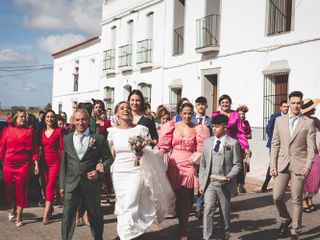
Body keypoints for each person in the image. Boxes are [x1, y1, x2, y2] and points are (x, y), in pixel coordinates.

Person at [108, 101, 175, 239]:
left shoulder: (140, 130)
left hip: (135, 171)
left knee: (130, 202)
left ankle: (125, 235)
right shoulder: (112, 132)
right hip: (119, 172)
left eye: (127, 108)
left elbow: (149, 149)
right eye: (122, 108)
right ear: (117, 113)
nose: (125, 109)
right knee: (121, 205)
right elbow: (111, 153)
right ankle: (125, 232)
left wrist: (141, 151)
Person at [59, 109, 113, 240]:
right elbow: (64, 163)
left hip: (91, 184)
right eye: (77, 120)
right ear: (73, 121)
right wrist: (62, 185)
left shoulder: (98, 138)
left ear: (88, 120)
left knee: (95, 215)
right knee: (67, 216)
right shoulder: (67, 139)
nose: (80, 122)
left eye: (83, 119)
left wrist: (99, 172)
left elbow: (108, 158)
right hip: (72, 184)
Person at [158, 102, 210, 240]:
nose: (187, 116)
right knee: (174, 198)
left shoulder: (198, 129)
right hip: (174, 165)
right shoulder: (172, 126)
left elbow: (201, 150)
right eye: (185, 113)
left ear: (193, 114)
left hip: (189, 165)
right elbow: (164, 147)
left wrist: (196, 160)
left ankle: (184, 230)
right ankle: (180, 223)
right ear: (180, 113)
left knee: (186, 200)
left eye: (190, 113)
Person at [270, 91, 317, 239]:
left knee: (296, 199)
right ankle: (285, 218)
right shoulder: (279, 121)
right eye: (293, 102)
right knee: (277, 196)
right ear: (289, 103)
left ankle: (295, 230)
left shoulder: (308, 122)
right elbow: (275, 144)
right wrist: (273, 164)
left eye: (298, 103)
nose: (296, 105)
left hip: (300, 165)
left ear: (301, 104)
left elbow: (312, 148)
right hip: (282, 164)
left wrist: (308, 166)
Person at [199, 114, 241, 240]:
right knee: (208, 210)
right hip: (210, 183)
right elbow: (203, 165)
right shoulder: (207, 142)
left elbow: (237, 165)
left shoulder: (233, 144)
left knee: (224, 213)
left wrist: (229, 176)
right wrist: (202, 182)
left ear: (225, 127)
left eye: (217, 127)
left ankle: (224, 237)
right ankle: (207, 237)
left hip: (224, 184)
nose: (214, 129)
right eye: (213, 126)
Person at [0, 109, 39, 227]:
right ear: (15, 118)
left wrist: (36, 163)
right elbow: (2, 147)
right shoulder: (7, 130)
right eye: (21, 116)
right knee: (10, 190)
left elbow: (35, 149)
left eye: (25, 117)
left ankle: (19, 216)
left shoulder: (30, 131)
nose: (24, 118)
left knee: (21, 190)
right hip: (8, 164)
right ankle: (13, 208)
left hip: (23, 165)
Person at [211, 94, 252, 194]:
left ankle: (233, 187)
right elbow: (213, 130)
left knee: (235, 166)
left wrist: (246, 147)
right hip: (219, 143)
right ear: (220, 104)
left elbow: (240, 132)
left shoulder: (235, 115)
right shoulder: (215, 115)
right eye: (223, 103)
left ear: (230, 103)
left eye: (227, 102)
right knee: (219, 166)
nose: (225, 104)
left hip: (233, 143)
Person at [41, 110, 64, 224]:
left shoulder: (58, 131)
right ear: (44, 118)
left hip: (55, 163)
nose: (50, 119)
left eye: (52, 117)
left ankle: (45, 215)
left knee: (50, 186)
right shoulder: (41, 132)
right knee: (45, 187)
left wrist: (63, 162)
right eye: (48, 117)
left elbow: (62, 148)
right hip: (43, 163)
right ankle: (50, 208)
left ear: (54, 119)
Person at [261, 100, 289, 192]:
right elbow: (268, 129)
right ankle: (266, 183)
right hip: (275, 145)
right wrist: (275, 140)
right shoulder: (275, 116)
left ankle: (282, 184)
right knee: (273, 163)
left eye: (287, 107)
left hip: (286, 145)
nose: (286, 108)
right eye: (284, 106)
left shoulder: (290, 117)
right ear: (280, 107)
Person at [301, 98, 320, 213]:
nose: (315, 109)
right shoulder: (300, 120)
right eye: (313, 107)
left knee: (315, 176)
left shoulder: (315, 120)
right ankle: (303, 199)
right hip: (302, 152)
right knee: (304, 176)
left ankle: (310, 198)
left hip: (314, 152)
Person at [194, 96, 212, 219]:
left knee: (203, 180)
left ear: (206, 106)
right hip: (192, 154)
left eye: (203, 104)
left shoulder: (210, 121)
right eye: (198, 104)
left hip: (206, 154)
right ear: (195, 106)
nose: (200, 107)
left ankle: (199, 207)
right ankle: (190, 204)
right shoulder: (190, 119)